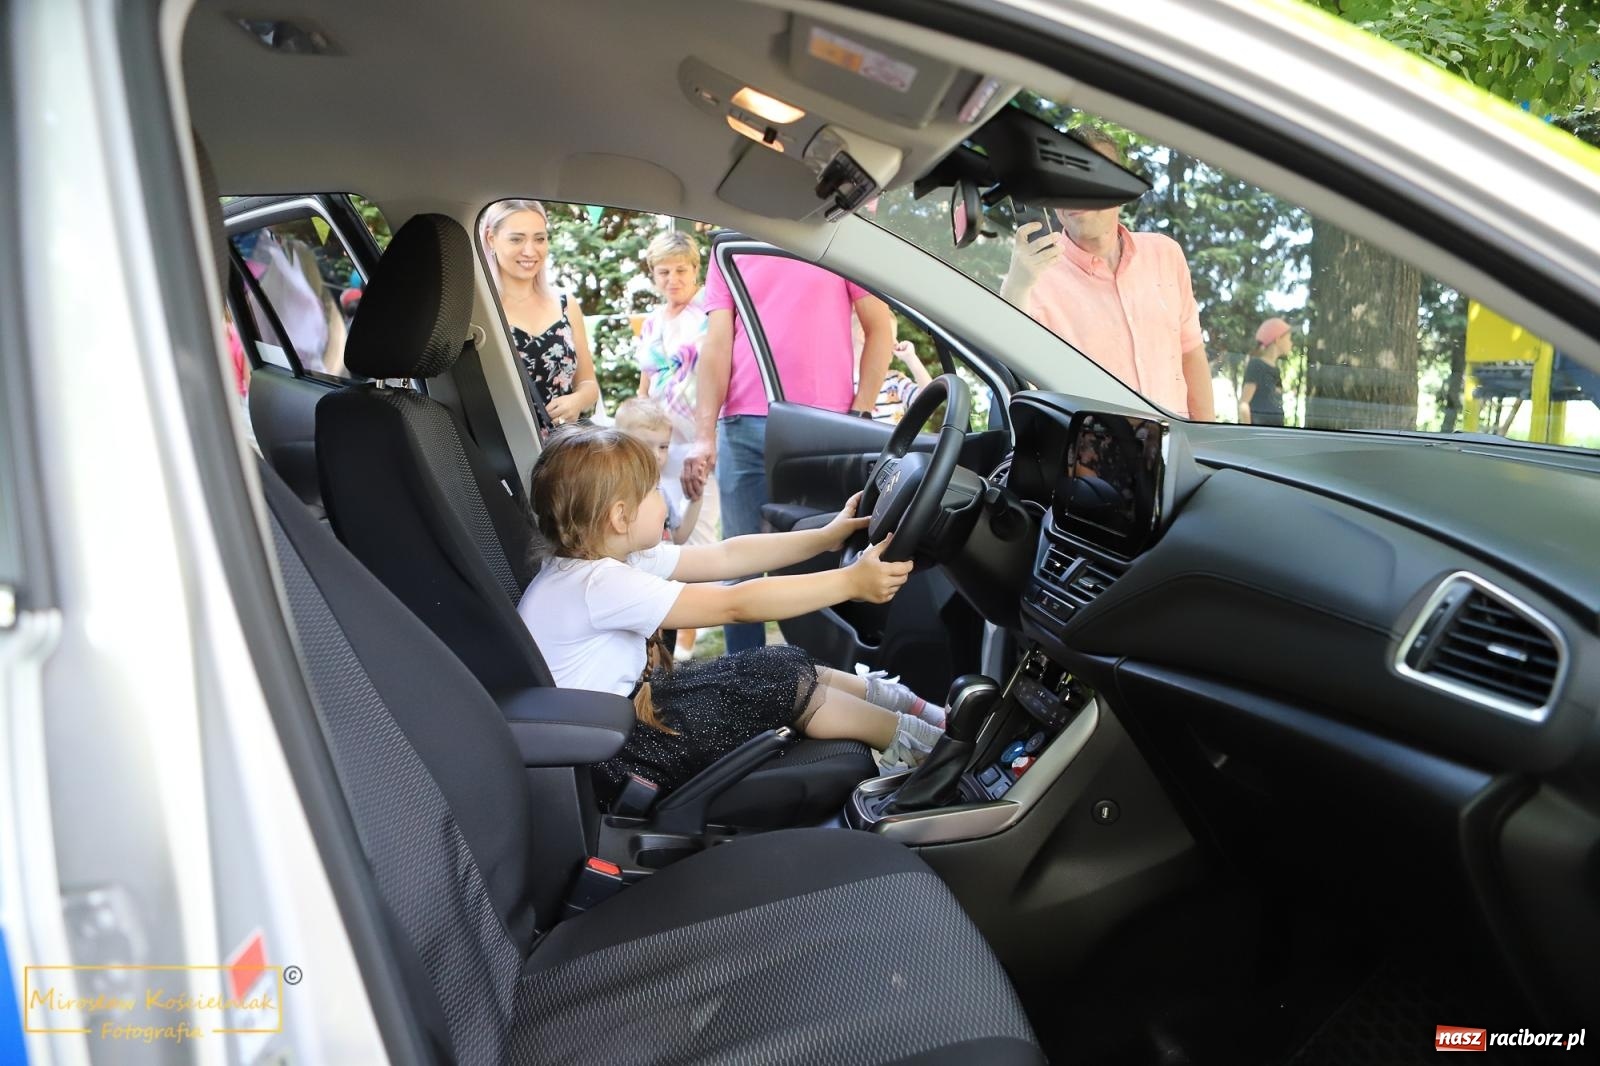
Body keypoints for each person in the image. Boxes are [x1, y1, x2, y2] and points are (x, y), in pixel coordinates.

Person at [519, 426, 948, 796]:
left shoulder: (607, 560)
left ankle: (923, 716)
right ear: (619, 516)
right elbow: (736, 604)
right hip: (611, 756)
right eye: (652, 489)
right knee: (787, 686)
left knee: (783, 662)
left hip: (614, 723)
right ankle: (931, 754)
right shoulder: (599, 584)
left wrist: (825, 537)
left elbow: (726, 556)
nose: (661, 496)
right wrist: (849, 583)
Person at [681, 255, 896, 653]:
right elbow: (717, 343)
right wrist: (703, 435)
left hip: (820, 430)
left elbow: (881, 327)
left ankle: (828, 678)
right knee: (738, 569)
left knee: (825, 555)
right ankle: (744, 683)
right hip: (741, 425)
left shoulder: (829, 235)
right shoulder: (730, 245)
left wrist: (860, 413)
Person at [1001, 127, 1216, 421]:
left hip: (1177, 450)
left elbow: (1191, 353)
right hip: (1092, 458)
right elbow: (1013, 369)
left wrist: (1208, 444)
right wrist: (1016, 287)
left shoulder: (1166, 254)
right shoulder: (1030, 279)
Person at [634, 231, 721, 558]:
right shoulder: (653, 322)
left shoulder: (711, 312)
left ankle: (708, 599)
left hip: (698, 439)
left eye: (680, 270)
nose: (673, 279)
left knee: (698, 531)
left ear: (695, 269)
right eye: (664, 271)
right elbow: (646, 380)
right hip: (658, 445)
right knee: (660, 529)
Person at [481, 199, 600, 437]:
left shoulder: (566, 303)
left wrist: (576, 401)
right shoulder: (480, 309)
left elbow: (589, 384)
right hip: (505, 451)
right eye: (517, 239)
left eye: (539, 238)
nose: (530, 250)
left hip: (562, 452)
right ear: (491, 239)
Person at [615, 396, 705, 659]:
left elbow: (678, 536)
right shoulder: (617, 496)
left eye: (664, 446)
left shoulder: (660, 492)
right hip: (637, 596)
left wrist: (695, 500)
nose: (656, 455)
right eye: (646, 445)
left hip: (665, 593)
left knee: (664, 657)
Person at [1239, 316, 1291, 426]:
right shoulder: (1256, 365)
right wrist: (1248, 433)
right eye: (1289, 338)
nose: (1291, 343)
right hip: (1258, 435)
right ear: (1277, 339)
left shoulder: (1276, 370)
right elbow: (1244, 403)